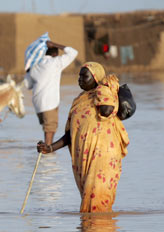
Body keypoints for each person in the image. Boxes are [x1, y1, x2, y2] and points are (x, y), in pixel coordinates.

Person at [37, 62, 130, 213]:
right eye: (79, 76)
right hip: (85, 158)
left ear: (96, 77)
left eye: (84, 76)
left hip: (103, 156)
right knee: (89, 200)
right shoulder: (79, 101)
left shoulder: (104, 93)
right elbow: (71, 133)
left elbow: (107, 111)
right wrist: (50, 148)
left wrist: (102, 89)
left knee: (97, 199)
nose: (80, 79)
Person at [25, 40, 78, 146]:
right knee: (50, 133)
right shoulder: (55, 62)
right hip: (49, 103)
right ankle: (48, 156)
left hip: (37, 105)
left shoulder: (35, 66)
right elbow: (73, 52)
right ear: (55, 54)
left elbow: (28, 85)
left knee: (47, 130)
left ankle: (46, 152)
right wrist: (55, 44)